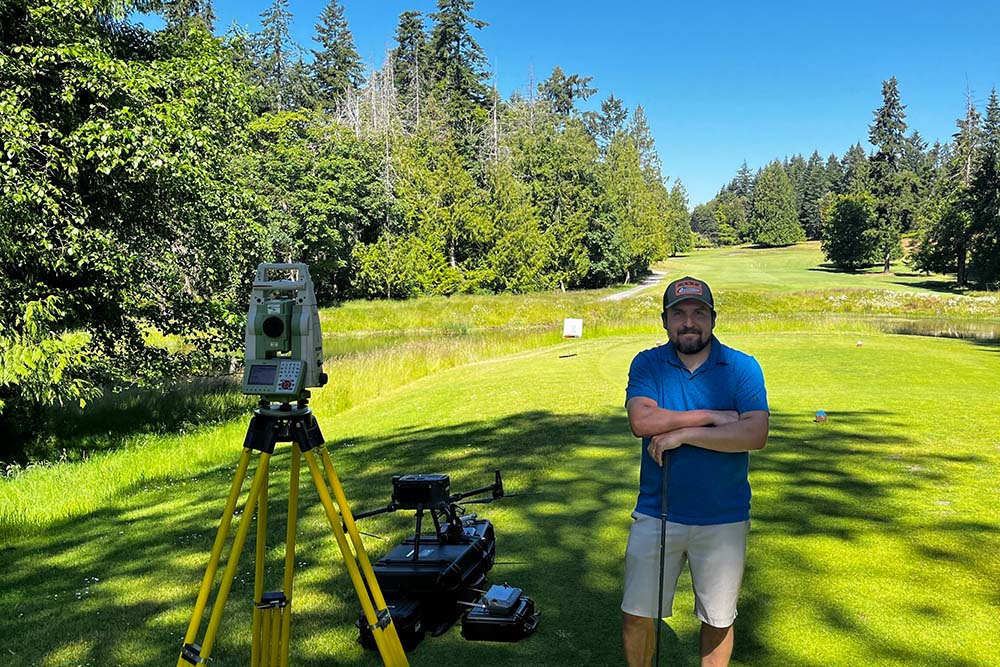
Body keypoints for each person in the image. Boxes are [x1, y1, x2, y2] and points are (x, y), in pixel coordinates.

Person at [621, 276, 769, 667]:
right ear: (665, 321)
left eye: (698, 313)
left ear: (713, 318)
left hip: (724, 517)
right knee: (638, 615)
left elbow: (754, 432)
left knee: (718, 619)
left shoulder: (741, 367)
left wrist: (683, 434)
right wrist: (712, 417)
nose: (689, 322)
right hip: (656, 512)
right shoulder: (648, 363)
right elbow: (642, 420)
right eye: (679, 313)